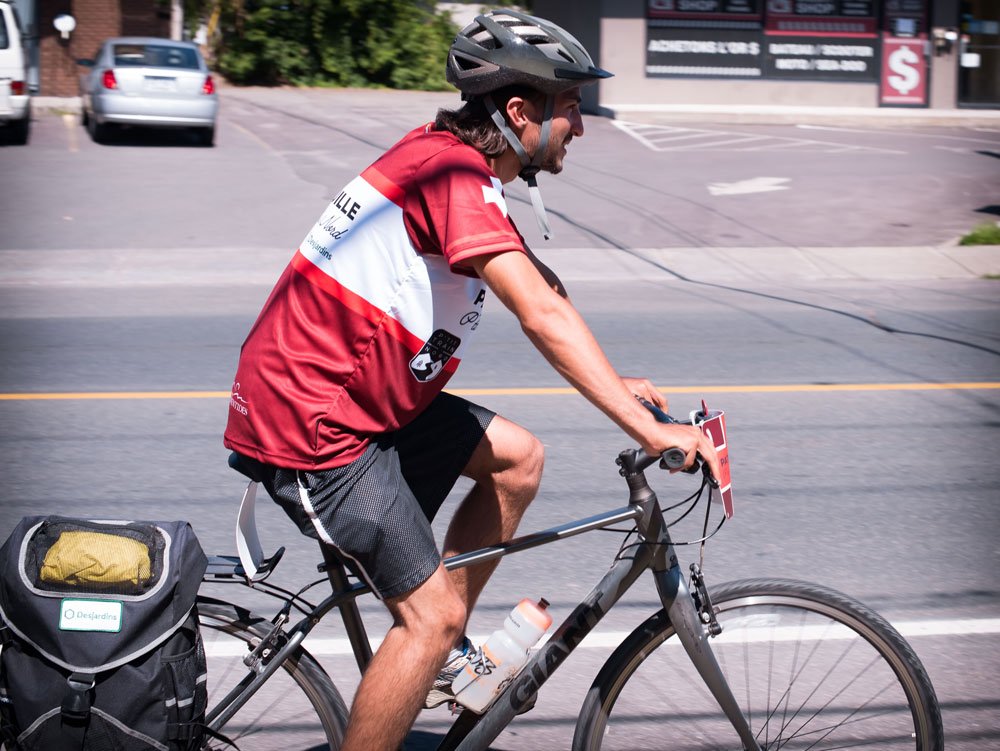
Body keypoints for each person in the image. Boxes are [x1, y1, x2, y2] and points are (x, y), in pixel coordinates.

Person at [223, 9, 721, 751]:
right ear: (520, 112)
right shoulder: (453, 174)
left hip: (359, 407)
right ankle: (433, 638)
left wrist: (616, 385)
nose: (581, 128)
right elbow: (539, 316)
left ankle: (439, 660)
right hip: (313, 423)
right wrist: (648, 429)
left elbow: (542, 289)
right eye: (571, 107)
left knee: (519, 459)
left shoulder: (455, 164)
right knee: (430, 617)